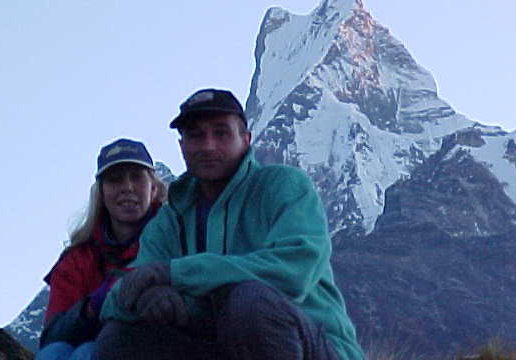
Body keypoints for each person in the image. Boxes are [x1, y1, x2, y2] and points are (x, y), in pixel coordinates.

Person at [95, 89, 365, 360]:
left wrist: (175, 274)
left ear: (245, 140)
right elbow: (124, 292)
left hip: (314, 346)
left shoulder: (284, 187)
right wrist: (146, 299)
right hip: (221, 345)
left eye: (221, 133)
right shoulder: (170, 219)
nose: (208, 146)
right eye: (196, 135)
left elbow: (292, 274)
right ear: (182, 146)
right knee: (120, 336)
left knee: (250, 303)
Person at [37, 138, 166, 360]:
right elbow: (52, 334)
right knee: (54, 354)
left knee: (87, 353)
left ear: (153, 188)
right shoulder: (77, 259)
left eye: (137, 177)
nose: (127, 188)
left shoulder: (171, 238)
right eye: (115, 180)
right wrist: (91, 307)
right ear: (101, 193)